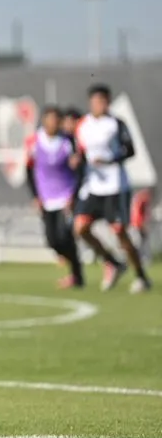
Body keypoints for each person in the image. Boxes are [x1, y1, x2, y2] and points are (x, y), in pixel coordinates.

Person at [72, 83, 152, 293]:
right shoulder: (83, 125)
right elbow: (80, 152)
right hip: (93, 186)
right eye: (96, 101)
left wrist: (109, 160)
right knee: (80, 228)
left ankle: (141, 276)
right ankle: (113, 263)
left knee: (120, 233)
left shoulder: (116, 124)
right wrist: (77, 160)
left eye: (103, 101)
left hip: (116, 186)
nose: (100, 104)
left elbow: (130, 150)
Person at [25, 106, 84, 288]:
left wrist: (73, 195)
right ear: (44, 121)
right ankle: (74, 266)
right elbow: (28, 169)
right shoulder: (34, 141)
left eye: (56, 120)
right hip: (46, 197)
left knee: (65, 235)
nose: (53, 123)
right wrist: (36, 196)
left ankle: (77, 275)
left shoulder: (68, 141)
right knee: (52, 241)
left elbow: (80, 168)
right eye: (49, 119)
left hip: (65, 196)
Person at [130, 187, 154, 267]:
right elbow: (141, 214)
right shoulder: (142, 201)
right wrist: (143, 224)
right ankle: (141, 258)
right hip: (138, 224)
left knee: (141, 242)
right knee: (140, 243)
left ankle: (142, 258)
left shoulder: (138, 200)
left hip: (137, 224)